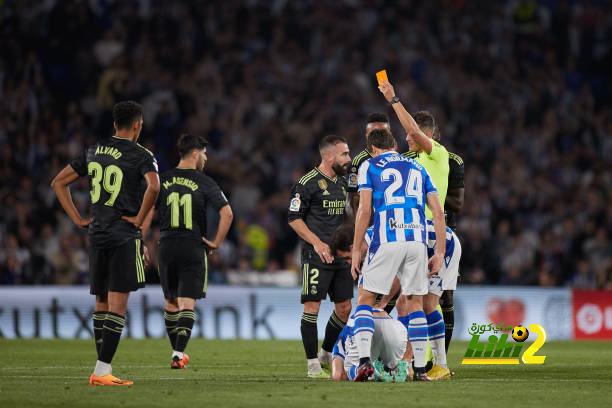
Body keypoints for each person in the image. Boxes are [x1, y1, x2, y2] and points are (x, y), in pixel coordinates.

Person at [51, 101, 160, 386]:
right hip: (123, 234)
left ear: (115, 124)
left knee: (101, 301)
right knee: (117, 305)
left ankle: (102, 368)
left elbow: (58, 183)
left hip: (96, 233)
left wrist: (77, 219)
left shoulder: (94, 150)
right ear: (137, 125)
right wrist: (138, 219)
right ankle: (101, 371)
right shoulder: (141, 155)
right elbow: (155, 186)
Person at [350, 128, 446, 382]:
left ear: (372, 148)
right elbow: (438, 212)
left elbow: (364, 210)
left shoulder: (369, 166)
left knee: (365, 299)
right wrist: (440, 251)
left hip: (387, 238)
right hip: (417, 240)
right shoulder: (418, 168)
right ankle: (420, 370)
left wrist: (356, 248)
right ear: (394, 144)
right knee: (415, 305)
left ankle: (363, 362)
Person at [152, 134, 233, 369]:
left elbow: (147, 211)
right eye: (204, 154)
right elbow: (227, 213)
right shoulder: (204, 181)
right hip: (192, 245)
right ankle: (178, 353)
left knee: (170, 302)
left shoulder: (162, 179)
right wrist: (216, 242)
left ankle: (176, 352)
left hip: (165, 245)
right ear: (195, 153)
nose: (206, 159)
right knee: (187, 303)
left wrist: (140, 239)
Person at [288, 135, 353, 378]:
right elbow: (294, 218)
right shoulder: (307, 183)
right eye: (344, 154)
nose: (349, 158)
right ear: (328, 156)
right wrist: (317, 243)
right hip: (315, 255)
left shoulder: (345, 182)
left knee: (344, 308)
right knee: (312, 307)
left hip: (340, 256)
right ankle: (312, 365)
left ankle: (326, 352)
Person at [331, 309, 408, 382]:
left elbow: (337, 375)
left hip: (361, 326)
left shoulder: (342, 335)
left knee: (348, 371)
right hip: (395, 327)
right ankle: (397, 371)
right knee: (396, 367)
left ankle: (373, 373)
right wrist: (406, 359)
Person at [347, 113, 392, 217]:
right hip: (371, 220)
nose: (379, 136)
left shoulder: (399, 157)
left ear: (389, 134)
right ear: (367, 136)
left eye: (383, 132)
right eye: (374, 133)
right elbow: (351, 197)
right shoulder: (358, 162)